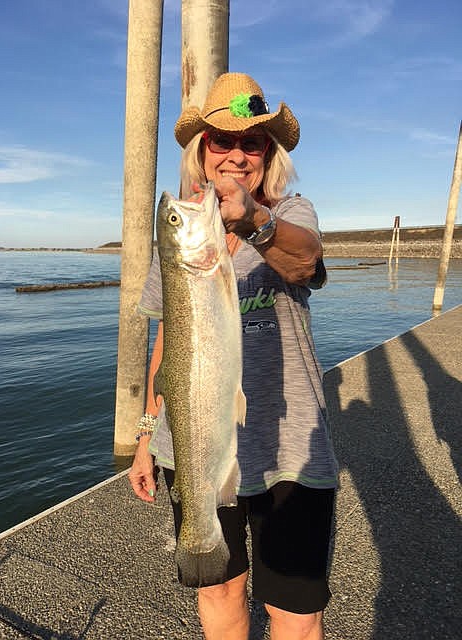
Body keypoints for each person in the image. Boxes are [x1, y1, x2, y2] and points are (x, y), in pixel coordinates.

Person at [128, 72, 338, 640]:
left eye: (253, 142)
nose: (237, 154)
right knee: (218, 587)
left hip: (289, 452)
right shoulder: (184, 241)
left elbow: (304, 263)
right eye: (222, 140)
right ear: (203, 152)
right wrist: (148, 434)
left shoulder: (291, 212)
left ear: (268, 153)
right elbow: (169, 342)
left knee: (295, 610)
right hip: (193, 445)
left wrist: (253, 221)